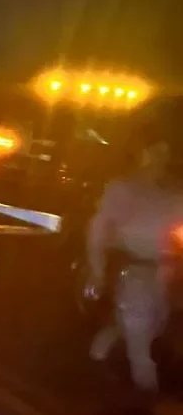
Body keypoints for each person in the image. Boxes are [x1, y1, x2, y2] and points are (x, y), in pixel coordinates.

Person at [85, 128, 180, 411]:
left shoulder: (174, 193)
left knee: (146, 325)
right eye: (155, 152)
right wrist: (97, 269)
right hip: (133, 271)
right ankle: (148, 396)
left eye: (165, 153)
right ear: (141, 153)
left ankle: (96, 359)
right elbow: (99, 229)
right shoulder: (123, 188)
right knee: (139, 338)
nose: (160, 159)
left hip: (163, 274)